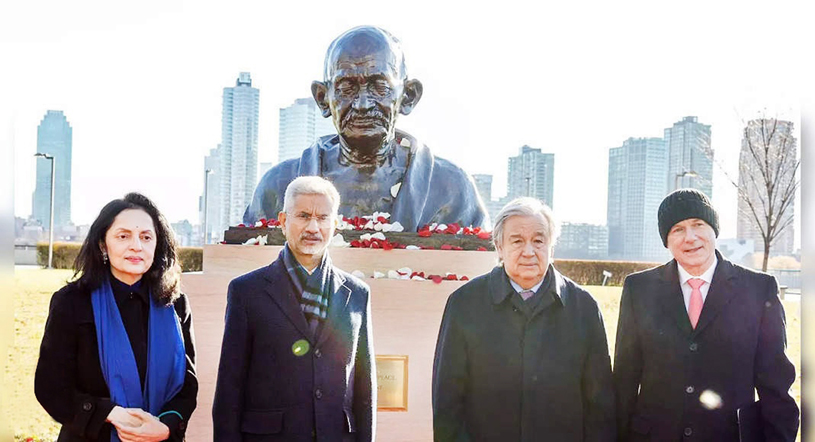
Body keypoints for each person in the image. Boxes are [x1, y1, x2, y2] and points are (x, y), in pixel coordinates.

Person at [243, 26, 489, 231]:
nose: (362, 104)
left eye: (379, 86)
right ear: (323, 98)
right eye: (346, 87)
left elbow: (481, 278)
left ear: (408, 96)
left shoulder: (451, 188)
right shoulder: (278, 186)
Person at [613, 188, 799, 441]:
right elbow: (625, 379)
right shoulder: (639, 289)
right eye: (677, 229)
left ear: (714, 231)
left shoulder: (758, 289)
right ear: (666, 240)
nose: (690, 237)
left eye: (698, 224)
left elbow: (776, 386)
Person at [432, 197, 616, 441]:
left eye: (538, 241)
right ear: (499, 247)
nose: (528, 251)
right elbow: (447, 400)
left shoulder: (583, 308)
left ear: (552, 246)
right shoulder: (464, 303)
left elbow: (600, 406)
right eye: (517, 241)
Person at [213, 176, 375, 441]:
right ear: (283, 221)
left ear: (335, 225)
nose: (313, 227)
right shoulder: (247, 292)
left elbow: (364, 389)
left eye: (323, 218)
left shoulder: (356, 294)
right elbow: (229, 390)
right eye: (303, 215)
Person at [35, 193, 198, 442]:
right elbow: (51, 388)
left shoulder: (175, 304)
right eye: (123, 236)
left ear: (157, 244)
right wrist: (111, 414)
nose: (136, 246)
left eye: (146, 237)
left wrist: (166, 425)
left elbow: (188, 382)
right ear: (103, 244)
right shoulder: (72, 302)